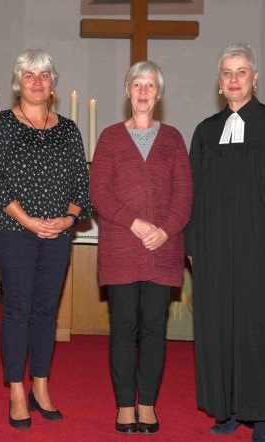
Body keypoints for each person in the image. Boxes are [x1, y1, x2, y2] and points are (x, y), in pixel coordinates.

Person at [186, 44, 265, 442]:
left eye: (242, 72)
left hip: (264, 250)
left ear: (255, 79)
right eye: (227, 73)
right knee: (220, 328)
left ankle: (262, 418)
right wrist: (192, 245)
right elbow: (194, 193)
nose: (234, 79)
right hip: (216, 252)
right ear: (219, 82)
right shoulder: (206, 131)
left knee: (261, 329)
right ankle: (227, 410)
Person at [0, 49, 91, 429]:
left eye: (44, 74)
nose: (38, 81)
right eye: (29, 75)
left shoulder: (68, 129)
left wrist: (67, 219)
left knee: (46, 311)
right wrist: (29, 221)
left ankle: (40, 386)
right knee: (17, 309)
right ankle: (15, 390)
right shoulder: (1, 125)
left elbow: (81, 184)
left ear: (53, 83)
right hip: (15, 232)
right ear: (18, 82)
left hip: (58, 235)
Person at [90, 61, 193, 435]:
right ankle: (123, 406)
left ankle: (146, 404)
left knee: (153, 329)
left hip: (163, 251)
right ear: (128, 91)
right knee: (123, 328)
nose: (144, 91)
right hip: (122, 248)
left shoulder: (174, 139)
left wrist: (165, 231)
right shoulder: (110, 138)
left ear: (159, 93)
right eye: (137, 84)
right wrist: (135, 223)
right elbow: (99, 191)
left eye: (151, 85)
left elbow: (184, 192)